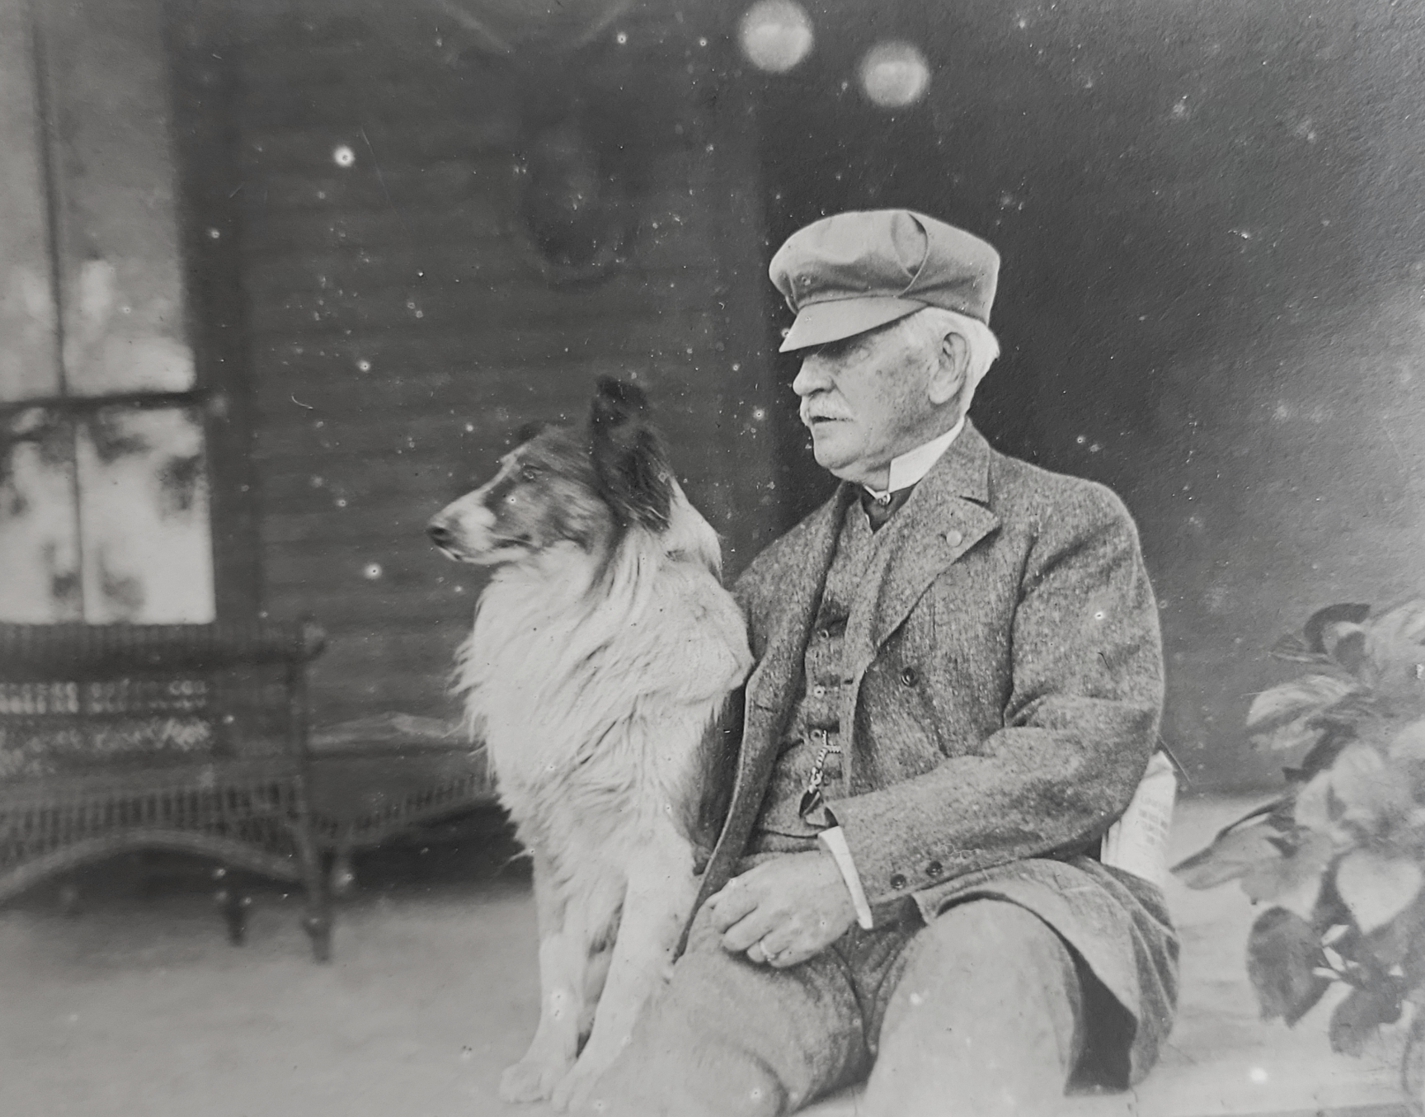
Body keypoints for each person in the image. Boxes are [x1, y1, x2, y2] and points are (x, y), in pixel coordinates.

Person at [578, 209, 1178, 1117]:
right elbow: (696, 780)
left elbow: (1081, 749)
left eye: (842, 349)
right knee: (651, 1096)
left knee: (950, 1078)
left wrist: (848, 869)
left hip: (997, 909)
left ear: (945, 363)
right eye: (799, 357)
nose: (804, 383)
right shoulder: (775, 573)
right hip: (780, 932)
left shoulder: (1067, 524)